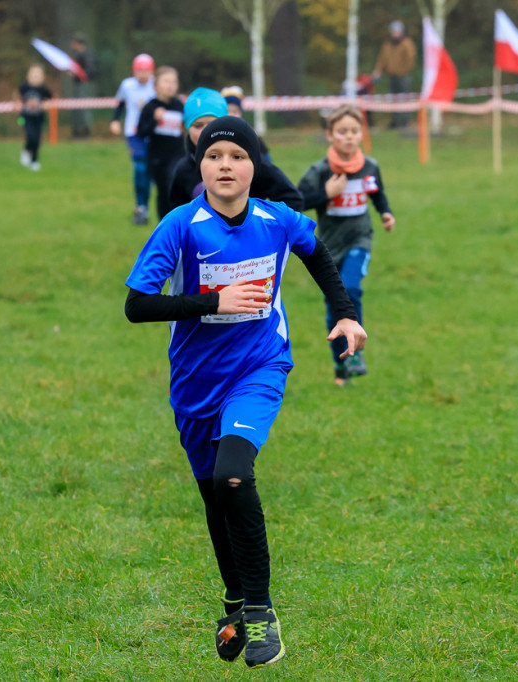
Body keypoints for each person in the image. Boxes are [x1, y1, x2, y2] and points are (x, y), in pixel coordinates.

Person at [125, 116, 366, 669]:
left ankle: (260, 611)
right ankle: (233, 602)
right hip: (194, 384)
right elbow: (138, 304)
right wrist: (214, 301)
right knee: (215, 495)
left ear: (254, 166)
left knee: (234, 473)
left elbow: (317, 253)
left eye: (237, 155)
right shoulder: (180, 227)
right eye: (215, 157)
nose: (226, 165)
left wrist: (347, 315)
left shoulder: (277, 219)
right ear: (201, 168)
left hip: (259, 367)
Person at [297, 104, 394, 385]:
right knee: (333, 310)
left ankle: (355, 354)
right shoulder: (320, 170)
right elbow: (297, 202)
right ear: (330, 135)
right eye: (342, 131)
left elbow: (377, 193)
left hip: (359, 239)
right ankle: (341, 367)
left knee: (351, 288)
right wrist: (326, 194)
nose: (349, 137)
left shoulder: (369, 166)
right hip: (328, 247)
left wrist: (385, 213)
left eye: (354, 131)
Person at [169, 88, 301, 212]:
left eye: (212, 124)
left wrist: (265, 229)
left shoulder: (250, 161)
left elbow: (291, 198)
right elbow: (173, 219)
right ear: (186, 128)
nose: (205, 132)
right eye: (198, 126)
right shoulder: (183, 170)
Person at [110, 54, 156, 225]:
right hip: (133, 132)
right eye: (140, 71)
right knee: (140, 167)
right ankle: (140, 206)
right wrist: (115, 120)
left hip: (152, 132)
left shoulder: (156, 86)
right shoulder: (127, 85)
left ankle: (147, 206)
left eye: (146, 71)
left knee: (150, 171)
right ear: (134, 71)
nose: (143, 74)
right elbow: (120, 104)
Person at [136, 66, 184, 220]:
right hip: (157, 159)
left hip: (177, 156)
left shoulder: (179, 106)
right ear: (156, 85)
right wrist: (154, 120)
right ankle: (164, 225)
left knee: (174, 185)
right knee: (163, 191)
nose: (171, 85)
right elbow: (141, 132)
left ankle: (178, 221)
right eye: (166, 81)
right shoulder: (150, 107)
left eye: (174, 82)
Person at [371, 20, 417, 128]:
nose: (395, 34)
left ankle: (404, 122)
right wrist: (378, 70)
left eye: (397, 32)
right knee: (393, 99)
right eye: (393, 32)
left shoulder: (407, 44)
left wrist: (404, 71)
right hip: (392, 76)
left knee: (404, 99)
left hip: (403, 76)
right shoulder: (387, 45)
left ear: (401, 32)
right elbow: (382, 59)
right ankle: (395, 122)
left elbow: (410, 59)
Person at [17, 64, 51, 172]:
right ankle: (26, 151)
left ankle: (34, 161)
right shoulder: (24, 88)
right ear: (28, 76)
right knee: (30, 136)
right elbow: (16, 96)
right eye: (33, 75)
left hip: (39, 117)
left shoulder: (43, 89)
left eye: (38, 75)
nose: (35, 77)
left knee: (37, 140)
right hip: (25, 117)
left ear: (42, 77)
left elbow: (50, 99)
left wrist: (45, 105)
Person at [68, 34, 97, 138]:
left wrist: (80, 74)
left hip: (84, 85)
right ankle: (77, 131)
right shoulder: (77, 55)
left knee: (84, 107)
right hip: (77, 85)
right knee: (76, 108)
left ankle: (86, 131)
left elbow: (91, 72)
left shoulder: (88, 55)